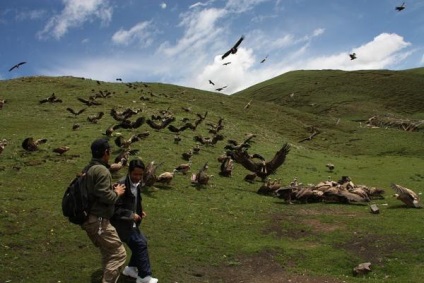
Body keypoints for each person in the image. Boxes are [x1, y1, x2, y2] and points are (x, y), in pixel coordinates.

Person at [81, 138, 127, 283]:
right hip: (98, 221)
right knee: (118, 253)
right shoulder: (101, 170)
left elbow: (95, 191)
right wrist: (117, 192)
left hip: (88, 219)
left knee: (108, 252)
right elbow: (104, 195)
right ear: (106, 152)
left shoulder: (88, 168)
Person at [111, 159, 159, 283]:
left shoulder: (136, 184)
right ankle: (144, 276)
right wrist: (131, 215)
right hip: (121, 225)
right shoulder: (121, 186)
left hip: (131, 223)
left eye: (140, 175)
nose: (138, 177)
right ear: (129, 172)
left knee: (142, 242)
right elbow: (114, 209)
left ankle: (131, 269)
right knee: (140, 244)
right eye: (135, 174)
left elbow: (135, 200)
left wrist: (139, 210)